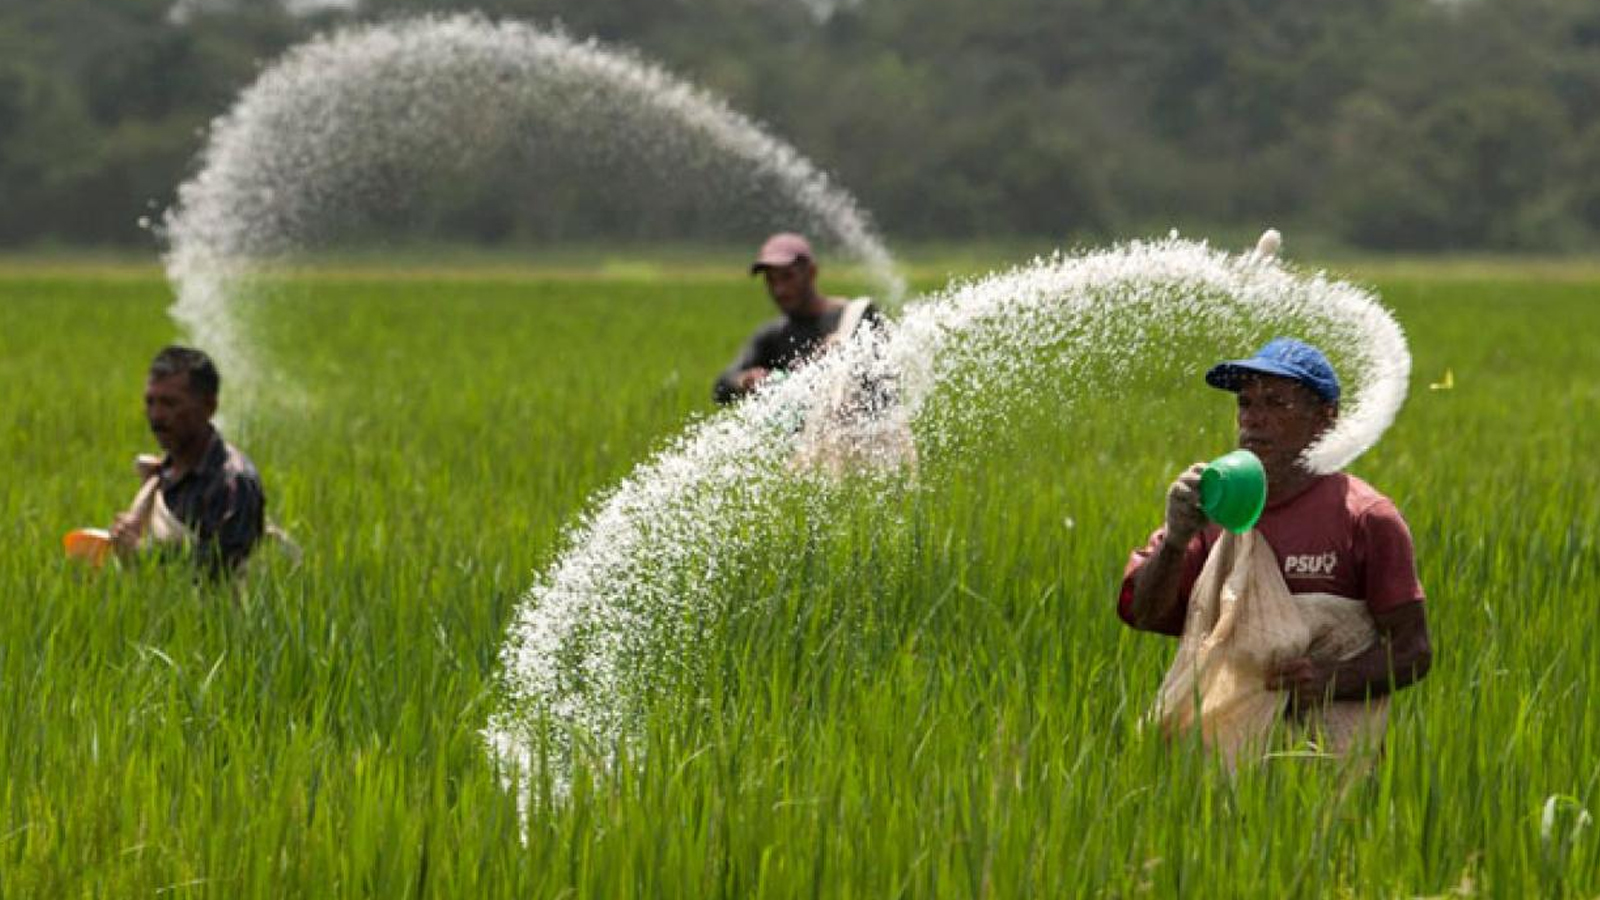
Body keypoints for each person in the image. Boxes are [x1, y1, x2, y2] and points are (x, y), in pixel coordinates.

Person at [1119, 338, 1432, 715]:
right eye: (1246, 403)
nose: (1252, 418)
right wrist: (1174, 540)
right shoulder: (1213, 508)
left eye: (1276, 403)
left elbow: (1412, 651)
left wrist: (1332, 679)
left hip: (1328, 759)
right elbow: (1145, 614)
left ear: (1324, 418)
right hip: (1219, 753)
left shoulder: (1365, 518)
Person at [108, 345, 267, 575]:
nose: (156, 416)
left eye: (170, 403)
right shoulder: (162, 473)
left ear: (209, 407)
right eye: (150, 402)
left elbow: (225, 568)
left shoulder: (232, 482)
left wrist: (144, 554)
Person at [712, 232, 883, 405]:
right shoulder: (774, 336)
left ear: (811, 272)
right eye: (771, 280)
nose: (780, 290)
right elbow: (721, 387)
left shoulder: (857, 317)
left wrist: (838, 359)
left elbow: (884, 387)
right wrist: (746, 380)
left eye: (788, 277)